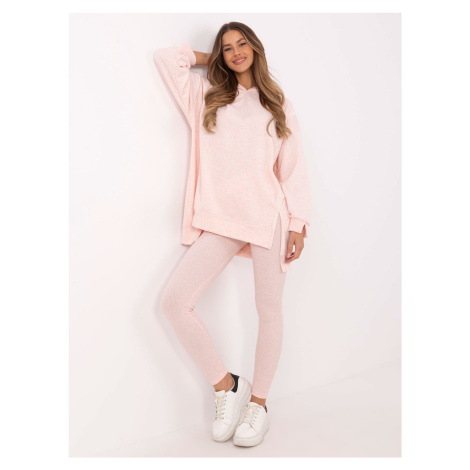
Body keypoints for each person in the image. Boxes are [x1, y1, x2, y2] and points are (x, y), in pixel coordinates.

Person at [154, 22, 312, 447]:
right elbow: (168, 59)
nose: (236, 51)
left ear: (256, 47)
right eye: (227, 48)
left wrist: (298, 223)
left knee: (269, 311)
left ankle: (259, 404)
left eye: (242, 44)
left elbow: (292, 169)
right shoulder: (208, 96)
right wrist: (212, 61)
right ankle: (227, 386)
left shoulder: (277, 102)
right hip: (222, 217)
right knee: (174, 302)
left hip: (268, 217)